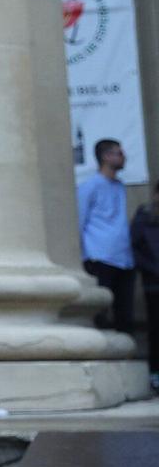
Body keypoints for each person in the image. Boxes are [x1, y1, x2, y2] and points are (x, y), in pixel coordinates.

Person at [79, 138, 136, 333]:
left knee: (125, 312)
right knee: (101, 310)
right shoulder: (90, 186)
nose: (124, 157)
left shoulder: (119, 186)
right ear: (106, 156)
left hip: (124, 258)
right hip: (100, 256)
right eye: (119, 153)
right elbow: (80, 220)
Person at [131, 201, 159, 391]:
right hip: (154, 283)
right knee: (156, 330)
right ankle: (155, 373)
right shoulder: (145, 218)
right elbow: (136, 250)